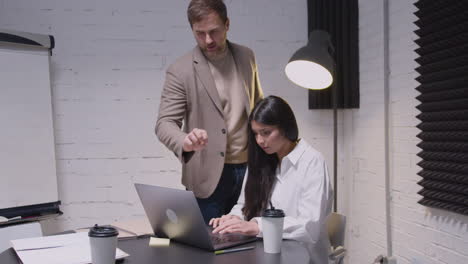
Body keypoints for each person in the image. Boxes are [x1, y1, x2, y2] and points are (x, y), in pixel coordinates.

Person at [155, 0, 263, 223]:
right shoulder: (180, 70)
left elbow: (258, 108)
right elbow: (164, 123)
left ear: (227, 24)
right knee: (207, 251)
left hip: (249, 171)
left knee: (249, 249)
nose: (208, 40)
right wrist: (185, 141)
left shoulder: (247, 57)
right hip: (206, 177)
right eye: (200, 33)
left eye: (214, 31)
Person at [209, 96, 333, 263]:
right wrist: (233, 219)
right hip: (264, 256)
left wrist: (258, 226)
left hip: (305, 258)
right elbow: (244, 205)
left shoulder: (312, 162)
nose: (260, 141)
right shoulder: (261, 160)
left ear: (285, 127)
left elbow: (308, 226)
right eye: (255, 134)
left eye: (266, 133)